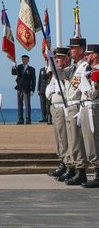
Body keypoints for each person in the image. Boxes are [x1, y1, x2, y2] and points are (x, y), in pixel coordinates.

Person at [63, 37, 89, 185]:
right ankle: (75, 168)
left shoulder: (84, 67)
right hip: (70, 105)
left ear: (80, 50)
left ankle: (80, 171)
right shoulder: (75, 67)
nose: (70, 51)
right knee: (72, 140)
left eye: (73, 48)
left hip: (77, 105)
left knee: (77, 140)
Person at [46, 47, 71, 180]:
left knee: (65, 138)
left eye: (59, 58)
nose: (57, 60)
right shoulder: (57, 73)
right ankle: (62, 162)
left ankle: (68, 164)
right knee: (59, 138)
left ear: (67, 59)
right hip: (55, 107)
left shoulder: (67, 72)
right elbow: (49, 89)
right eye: (55, 58)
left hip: (63, 107)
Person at [78, 43, 99, 188]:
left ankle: (98, 173)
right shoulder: (89, 71)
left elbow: (93, 93)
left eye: (89, 54)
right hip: (86, 106)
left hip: (93, 106)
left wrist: (84, 83)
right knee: (88, 139)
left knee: (93, 140)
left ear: (95, 55)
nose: (86, 56)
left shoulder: (96, 73)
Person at [12, 54, 36, 125]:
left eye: (25, 59)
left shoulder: (31, 69)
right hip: (19, 88)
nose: (23, 61)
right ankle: (20, 119)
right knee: (19, 105)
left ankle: (28, 119)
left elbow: (33, 80)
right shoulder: (19, 67)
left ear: (28, 60)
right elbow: (13, 73)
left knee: (27, 105)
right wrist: (13, 66)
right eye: (22, 59)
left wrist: (32, 90)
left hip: (27, 89)